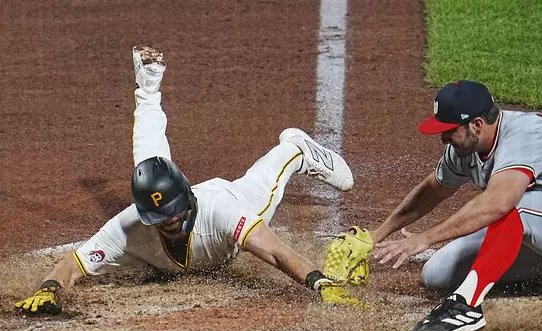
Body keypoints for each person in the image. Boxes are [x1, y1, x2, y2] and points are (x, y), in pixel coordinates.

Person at [16, 45, 363, 314]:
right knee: (150, 165)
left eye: (171, 214)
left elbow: (276, 253)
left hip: (229, 197)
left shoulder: (224, 211)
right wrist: (49, 288)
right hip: (172, 193)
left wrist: (318, 283)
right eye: (158, 218)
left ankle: (297, 148)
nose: (166, 223)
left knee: (266, 180)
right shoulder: (131, 225)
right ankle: (147, 88)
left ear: (185, 202)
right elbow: (74, 264)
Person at [369, 80, 542, 331]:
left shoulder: (525, 136)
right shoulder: (464, 148)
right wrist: (375, 235)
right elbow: (433, 190)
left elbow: (498, 203)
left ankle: (466, 306)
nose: (443, 138)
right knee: (437, 273)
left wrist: (424, 238)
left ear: (477, 125)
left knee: (513, 207)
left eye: (449, 130)